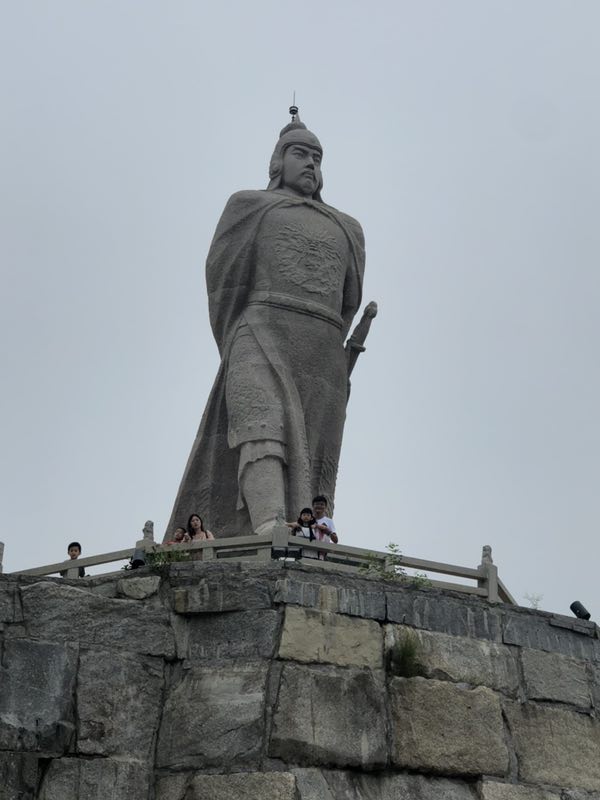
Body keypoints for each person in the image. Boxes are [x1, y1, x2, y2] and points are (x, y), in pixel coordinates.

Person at [167, 109, 365, 538]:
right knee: (260, 427)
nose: (311, 164)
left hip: (321, 346)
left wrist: (329, 341)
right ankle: (268, 522)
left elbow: (350, 300)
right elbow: (223, 281)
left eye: (318, 157)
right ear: (278, 161)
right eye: (300, 153)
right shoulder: (248, 206)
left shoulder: (348, 228)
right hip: (258, 327)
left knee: (313, 448)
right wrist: (237, 338)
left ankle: (306, 529)